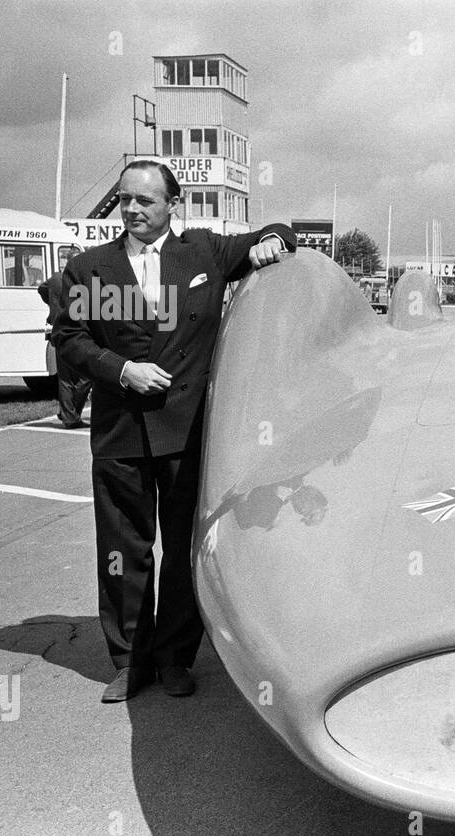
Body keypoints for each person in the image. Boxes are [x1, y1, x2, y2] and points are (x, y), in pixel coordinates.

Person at [53, 159, 296, 703]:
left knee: (184, 551)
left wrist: (271, 243)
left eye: (146, 200)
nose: (133, 209)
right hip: (120, 435)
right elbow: (69, 338)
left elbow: (281, 231)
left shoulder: (204, 252)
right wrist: (121, 369)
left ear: (172, 204)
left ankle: (175, 658)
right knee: (121, 551)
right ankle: (129, 662)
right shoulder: (91, 269)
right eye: (126, 199)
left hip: (187, 435)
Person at [37, 248, 91, 428]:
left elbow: (41, 289)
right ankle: (70, 415)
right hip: (78, 332)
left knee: (66, 379)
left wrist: (53, 307)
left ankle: (68, 414)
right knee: (86, 377)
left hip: (58, 333)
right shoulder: (83, 281)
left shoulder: (55, 279)